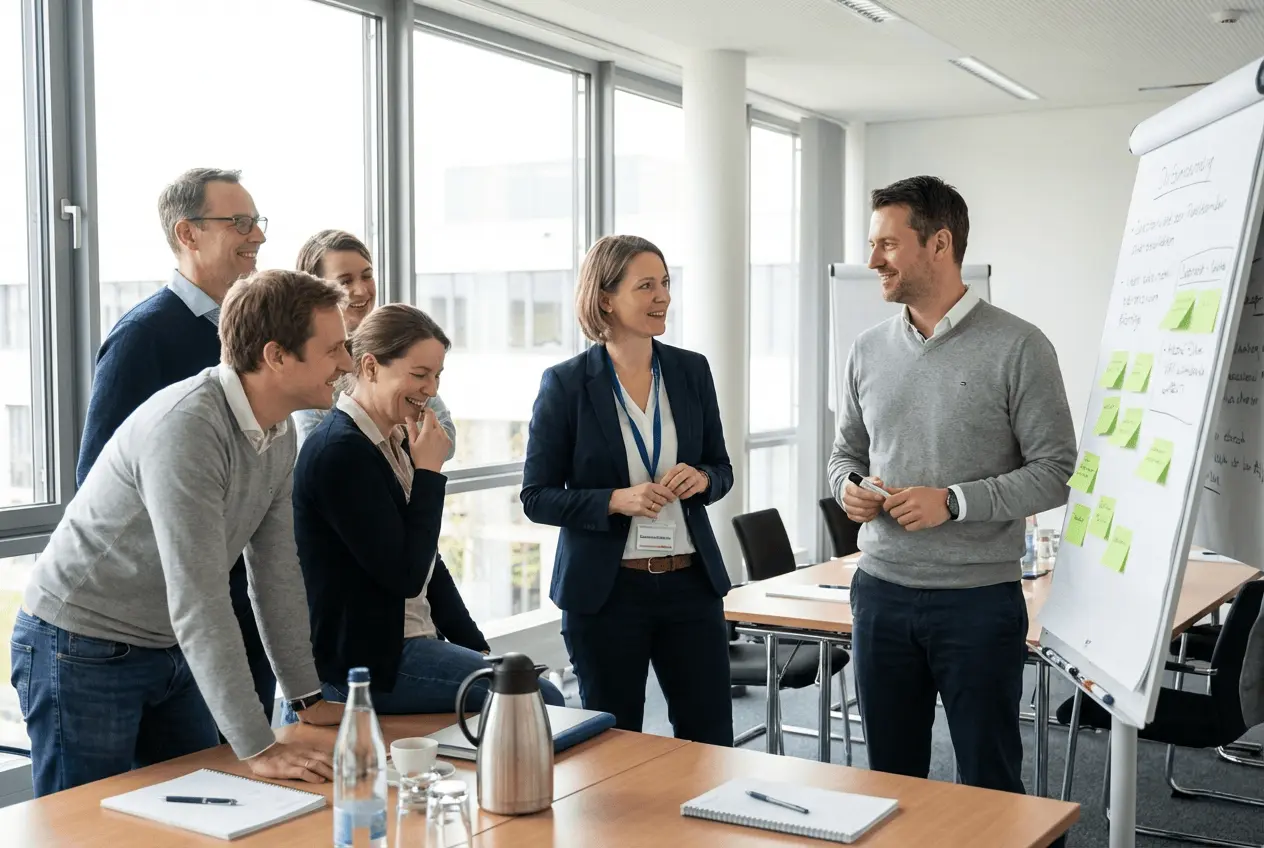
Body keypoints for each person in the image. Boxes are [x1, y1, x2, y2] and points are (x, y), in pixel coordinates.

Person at [11, 269, 354, 796]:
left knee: (197, 811)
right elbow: (199, 597)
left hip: (168, 644)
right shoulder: (189, 427)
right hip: (80, 644)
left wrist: (306, 695)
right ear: (277, 356)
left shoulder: (279, 427)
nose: (347, 365)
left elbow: (277, 572)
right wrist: (260, 748)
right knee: (82, 829)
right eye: (333, 350)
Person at [828, 175, 1077, 794]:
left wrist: (955, 502)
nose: (871, 260)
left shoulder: (1020, 347)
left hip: (977, 603)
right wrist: (850, 488)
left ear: (939, 244)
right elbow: (844, 456)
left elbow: (1057, 471)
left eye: (887, 244)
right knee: (889, 780)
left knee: (988, 781)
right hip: (880, 595)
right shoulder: (866, 349)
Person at [289, 303, 564, 716]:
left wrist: (477, 647)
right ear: (369, 367)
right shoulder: (340, 451)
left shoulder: (393, 438)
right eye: (419, 375)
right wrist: (430, 476)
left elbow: (429, 563)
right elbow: (405, 574)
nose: (431, 390)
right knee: (541, 698)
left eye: (436, 376)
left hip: (412, 643)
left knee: (528, 685)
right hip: (369, 663)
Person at [74, 167, 277, 723]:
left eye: (257, 221)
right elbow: (97, 477)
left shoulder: (251, 338)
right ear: (187, 234)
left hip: (234, 605)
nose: (257, 235)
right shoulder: (144, 337)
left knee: (239, 788)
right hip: (153, 622)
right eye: (239, 222)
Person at [520, 235, 734, 746]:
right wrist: (616, 500)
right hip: (608, 594)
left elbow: (721, 468)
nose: (662, 296)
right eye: (646, 286)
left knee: (710, 742)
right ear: (605, 299)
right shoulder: (566, 384)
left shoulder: (690, 370)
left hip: (690, 586)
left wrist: (702, 479)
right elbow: (536, 496)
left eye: (665, 283)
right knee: (612, 746)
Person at [291, 229, 455, 456]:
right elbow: (319, 454)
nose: (361, 290)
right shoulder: (305, 366)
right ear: (316, 293)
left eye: (367, 276)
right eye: (345, 281)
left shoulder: (392, 340)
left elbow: (445, 440)